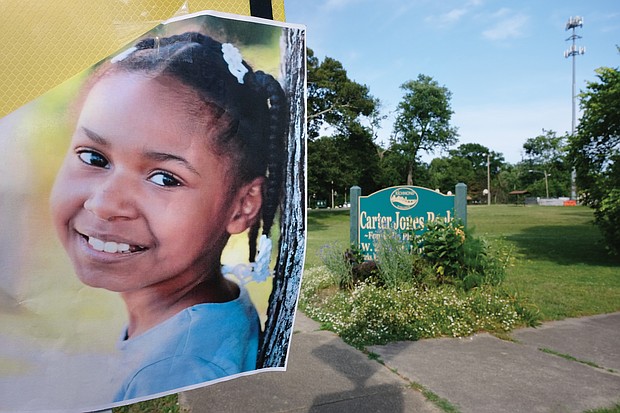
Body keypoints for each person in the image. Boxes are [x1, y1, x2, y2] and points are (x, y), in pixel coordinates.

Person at [49, 31, 287, 401]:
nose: (104, 203)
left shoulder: (172, 373)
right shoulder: (203, 316)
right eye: (94, 157)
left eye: (164, 178)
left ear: (243, 206)